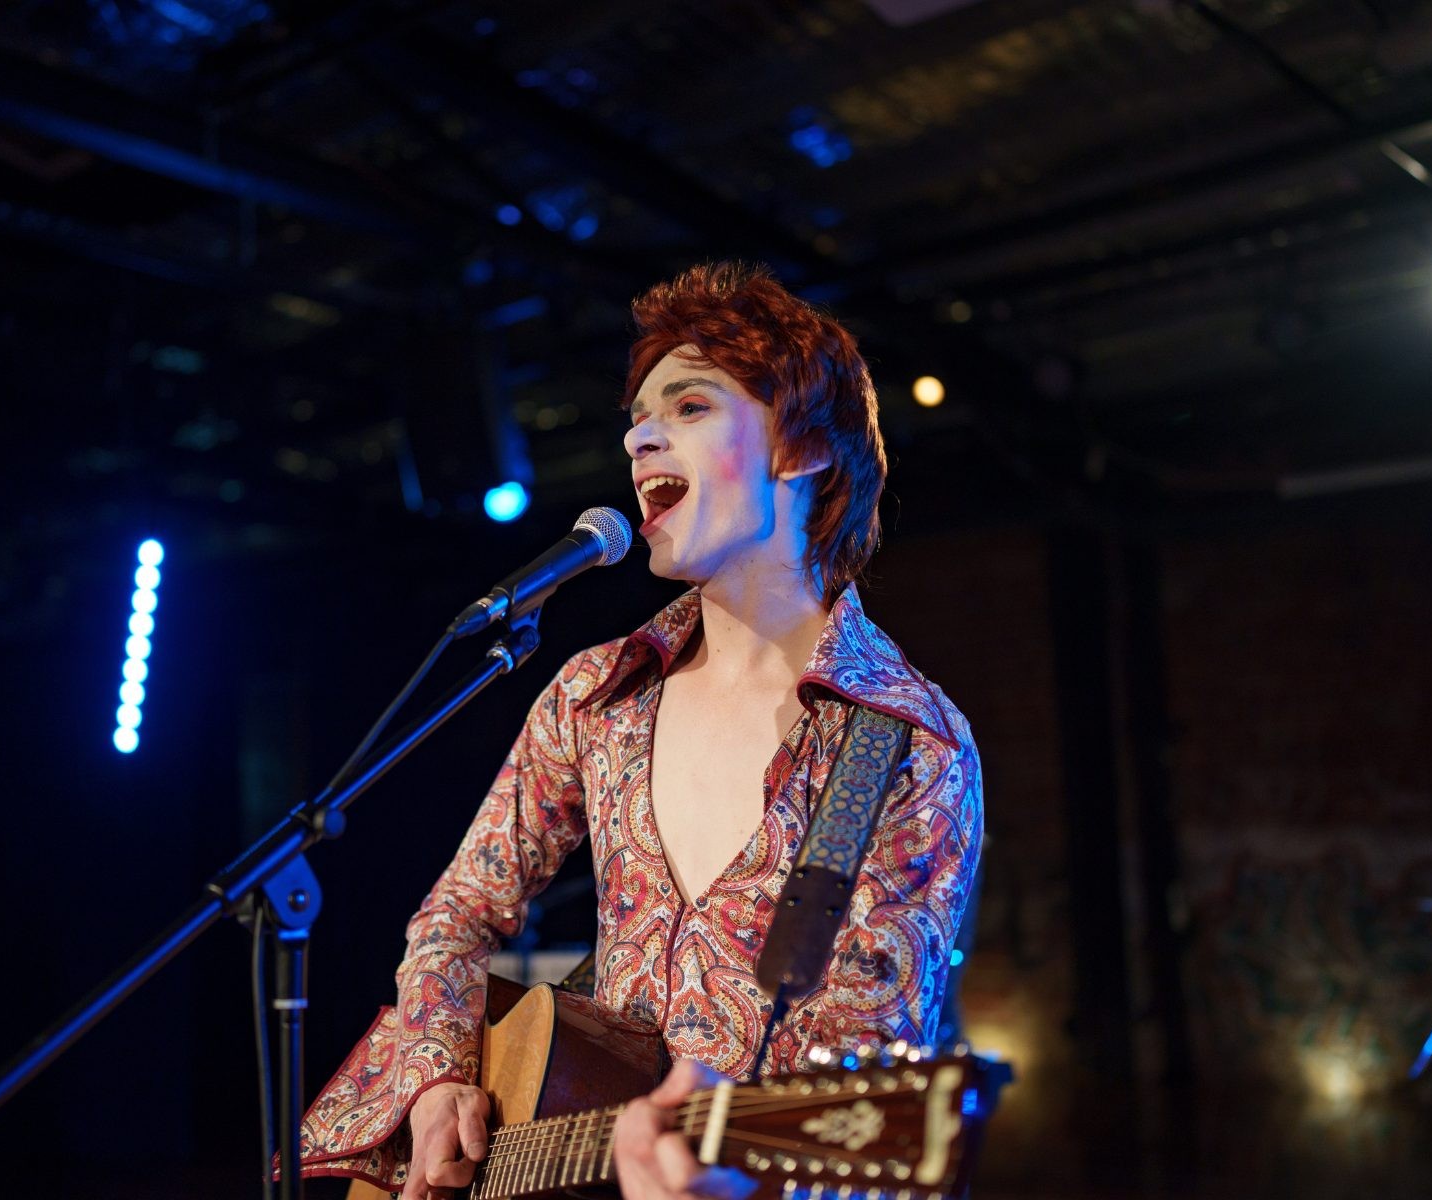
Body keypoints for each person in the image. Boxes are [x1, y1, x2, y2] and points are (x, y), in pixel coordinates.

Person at [298, 262, 983, 1200]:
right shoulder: (595, 695)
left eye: (691, 406)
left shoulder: (903, 742)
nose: (638, 437)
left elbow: (857, 1080)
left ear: (802, 448)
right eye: (638, 418)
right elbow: (454, 917)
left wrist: (734, 1184)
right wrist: (436, 1077)